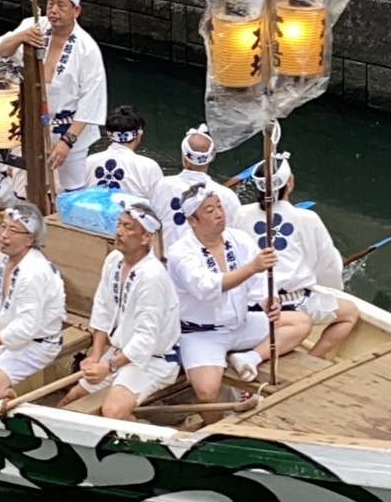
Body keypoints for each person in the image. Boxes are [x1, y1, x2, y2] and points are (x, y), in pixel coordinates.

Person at [167, 184, 310, 423]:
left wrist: (269, 301)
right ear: (193, 220)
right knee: (206, 391)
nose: (219, 214)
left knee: (300, 322)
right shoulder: (180, 252)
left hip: (240, 323)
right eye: (209, 211)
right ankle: (217, 431)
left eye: (219, 207)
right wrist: (252, 266)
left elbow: (258, 283)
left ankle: (250, 358)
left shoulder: (239, 239)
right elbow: (205, 287)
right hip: (202, 333)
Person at [59, 201, 180, 420]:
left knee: (113, 412)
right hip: (118, 353)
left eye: (128, 228)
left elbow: (145, 339)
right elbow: (102, 308)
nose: (119, 232)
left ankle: (144, 442)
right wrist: (96, 356)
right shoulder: (114, 259)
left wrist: (108, 367)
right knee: (71, 400)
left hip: (152, 359)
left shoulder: (152, 276)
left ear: (146, 237)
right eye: (119, 224)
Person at [237, 153, 359, 360]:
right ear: (290, 182)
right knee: (350, 313)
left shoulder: (239, 215)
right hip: (295, 301)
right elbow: (328, 264)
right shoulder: (307, 218)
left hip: (250, 302)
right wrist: (329, 282)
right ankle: (313, 359)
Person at [0, 0, 107, 192]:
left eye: (61, 5)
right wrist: (21, 37)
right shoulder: (33, 26)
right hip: (32, 121)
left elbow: (91, 100)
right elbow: (1, 51)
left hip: (68, 124)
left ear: (76, 11)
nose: (53, 10)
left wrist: (67, 141)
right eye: (51, 4)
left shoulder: (87, 48)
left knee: (71, 187)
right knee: (26, 183)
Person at [0, 202, 66, 397]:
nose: (3, 235)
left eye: (13, 231)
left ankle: (5, 405)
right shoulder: (3, 257)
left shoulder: (34, 273)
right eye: (3, 226)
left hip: (37, 343)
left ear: (30, 239)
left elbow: (26, 328)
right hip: (7, 333)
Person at [151, 124, 240, 253]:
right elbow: (234, 234)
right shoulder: (226, 196)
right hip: (206, 265)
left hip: (166, 262)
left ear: (185, 160)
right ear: (213, 157)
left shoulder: (163, 185)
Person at [82, 105, 161, 197]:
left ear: (109, 135)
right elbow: (160, 203)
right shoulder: (148, 166)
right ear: (139, 134)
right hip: (133, 211)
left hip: (93, 210)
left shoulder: (89, 162)